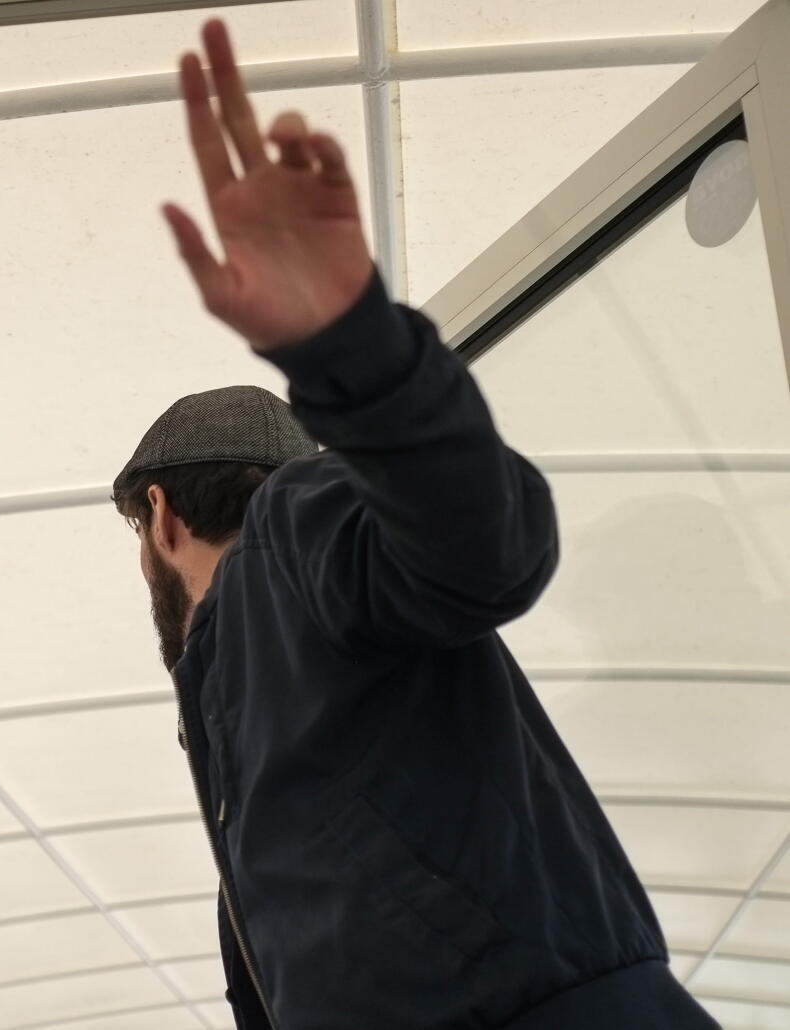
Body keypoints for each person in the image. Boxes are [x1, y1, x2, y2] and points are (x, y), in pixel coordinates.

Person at [112, 18, 722, 1030]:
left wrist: (353, 349)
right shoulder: (239, 693)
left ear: (159, 517)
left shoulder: (294, 533)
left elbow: (488, 548)